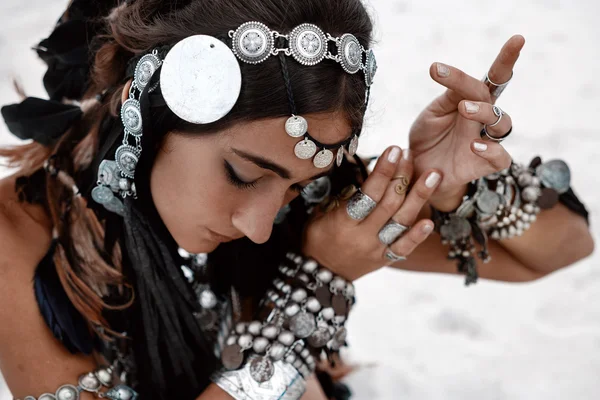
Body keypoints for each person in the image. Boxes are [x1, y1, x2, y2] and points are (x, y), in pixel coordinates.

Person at [0, 0, 593, 399]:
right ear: (143, 106)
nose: (261, 224)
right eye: (239, 173)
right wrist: (314, 289)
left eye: (294, 183)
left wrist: (458, 185)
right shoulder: (14, 235)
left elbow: (562, 247)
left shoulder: (304, 201)